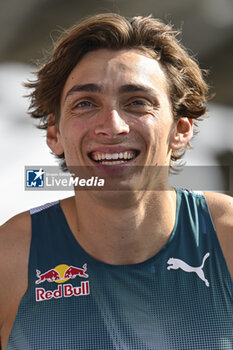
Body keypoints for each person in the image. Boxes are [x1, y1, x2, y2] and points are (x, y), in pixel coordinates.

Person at [0, 13, 232, 350]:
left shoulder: (224, 234)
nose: (112, 126)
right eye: (85, 104)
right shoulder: (11, 256)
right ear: (54, 135)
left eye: (137, 102)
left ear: (180, 131)